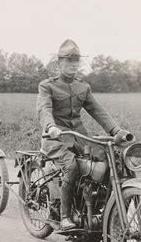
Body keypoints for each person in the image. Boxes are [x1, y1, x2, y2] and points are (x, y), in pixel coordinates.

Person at [36, 39, 129, 230]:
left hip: (79, 137)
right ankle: (64, 216)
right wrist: (51, 127)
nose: (72, 65)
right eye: (68, 61)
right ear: (59, 63)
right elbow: (44, 109)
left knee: (108, 161)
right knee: (71, 166)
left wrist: (117, 131)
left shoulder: (83, 87)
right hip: (55, 139)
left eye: (76, 61)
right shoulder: (47, 86)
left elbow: (97, 110)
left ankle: (98, 212)